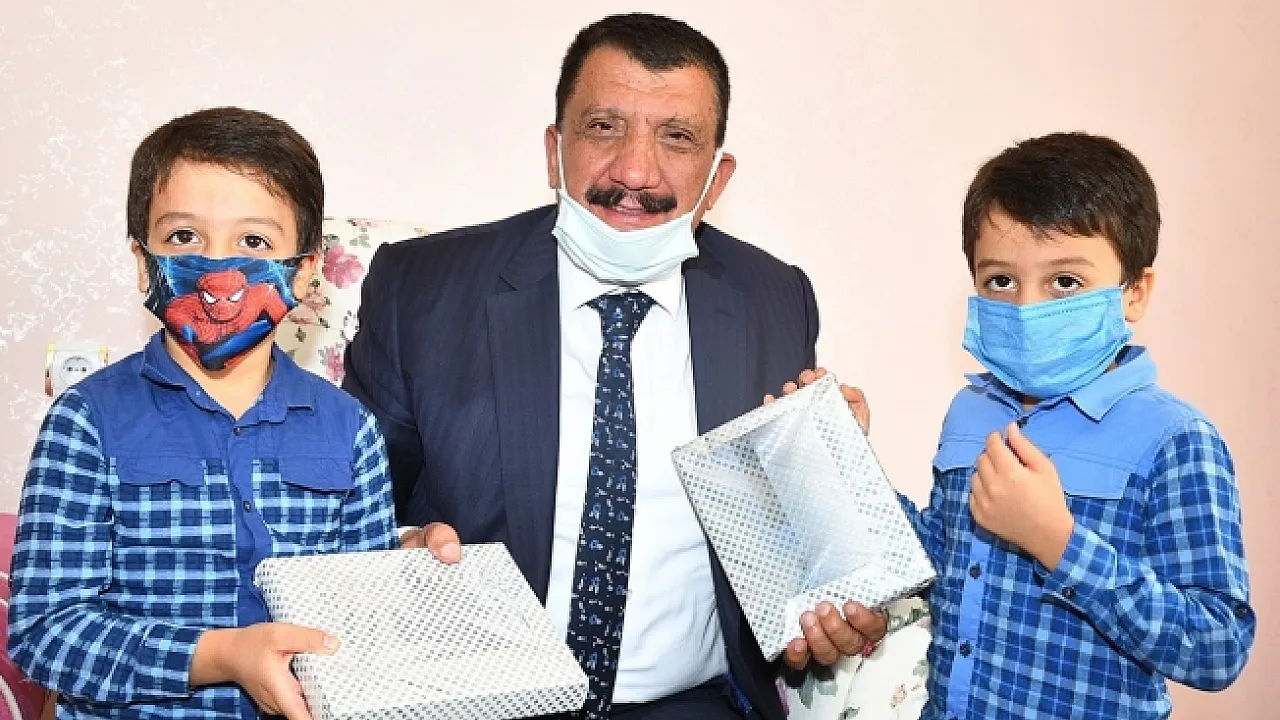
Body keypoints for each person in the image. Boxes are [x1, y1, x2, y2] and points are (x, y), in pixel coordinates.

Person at [343, 13, 884, 720]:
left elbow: (780, 550)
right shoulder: (421, 289)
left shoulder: (773, 297)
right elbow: (351, 513)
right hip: (477, 699)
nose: (635, 172)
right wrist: (401, 551)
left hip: (688, 705)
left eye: (677, 137)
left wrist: (828, 560)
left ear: (717, 177)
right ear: (554, 150)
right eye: (604, 127)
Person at [781, 132, 1255, 719]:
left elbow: (1217, 647)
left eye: (1065, 282)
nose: (1027, 308)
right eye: (1001, 281)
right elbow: (938, 561)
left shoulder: (1174, 439)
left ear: (1135, 292)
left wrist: (1058, 542)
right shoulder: (971, 412)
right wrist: (847, 457)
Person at [8, 107, 398, 720]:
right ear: (145, 262)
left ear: (306, 272)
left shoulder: (352, 431)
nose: (218, 274)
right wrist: (220, 655)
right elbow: (45, 633)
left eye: (253, 242)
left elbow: (367, 627)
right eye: (185, 238)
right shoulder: (85, 421)